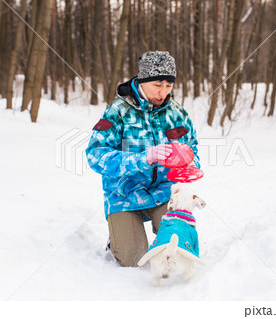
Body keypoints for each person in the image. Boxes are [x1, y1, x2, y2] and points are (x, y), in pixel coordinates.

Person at [86, 51, 201, 267]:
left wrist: (189, 163)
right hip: (125, 196)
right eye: (158, 85)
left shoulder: (177, 113)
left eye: (169, 85)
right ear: (142, 80)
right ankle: (118, 237)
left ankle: (163, 233)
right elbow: (95, 154)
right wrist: (143, 158)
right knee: (134, 259)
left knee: (175, 249)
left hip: (163, 193)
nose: (163, 92)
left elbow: (191, 146)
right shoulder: (117, 111)